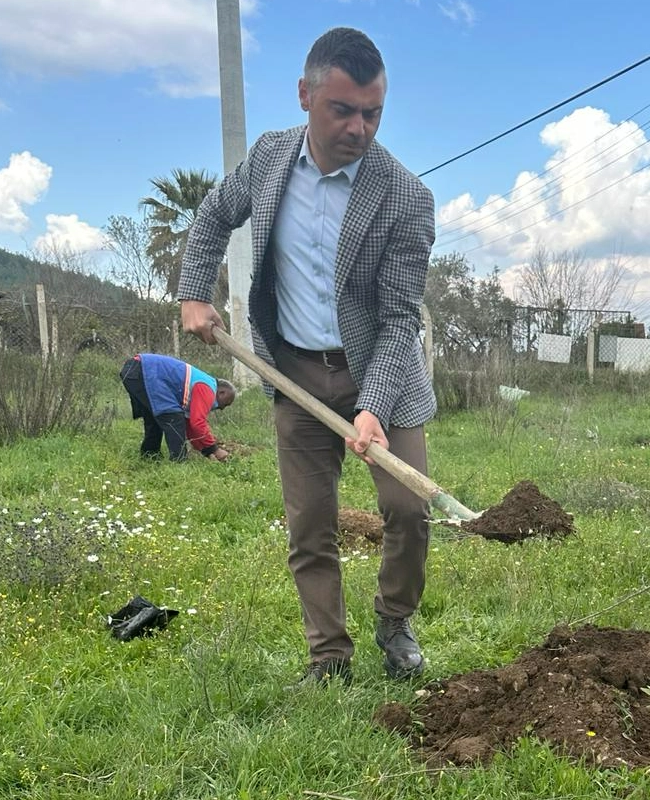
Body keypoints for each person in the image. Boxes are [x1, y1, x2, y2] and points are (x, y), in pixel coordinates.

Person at [177, 27, 436, 687]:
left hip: (382, 371)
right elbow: (211, 218)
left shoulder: (405, 196)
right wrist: (193, 295)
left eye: (372, 113)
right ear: (304, 95)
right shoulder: (267, 160)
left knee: (408, 508)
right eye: (342, 110)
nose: (359, 127)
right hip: (293, 373)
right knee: (310, 525)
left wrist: (374, 406)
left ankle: (394, 619)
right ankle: (329, 658)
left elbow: (401, 318)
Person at [119, 353, 235, 461]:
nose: (222, 408)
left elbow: (190, 426)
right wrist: (215, 449)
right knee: (172, 417)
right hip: (145, 371)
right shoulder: (208, 389)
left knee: (156, 418)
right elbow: (198, 422)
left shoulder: (203, 384)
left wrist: (207, 451)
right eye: (226, 403)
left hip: (135, 370)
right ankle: (179, 462)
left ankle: (150, 457)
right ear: (222, 393)